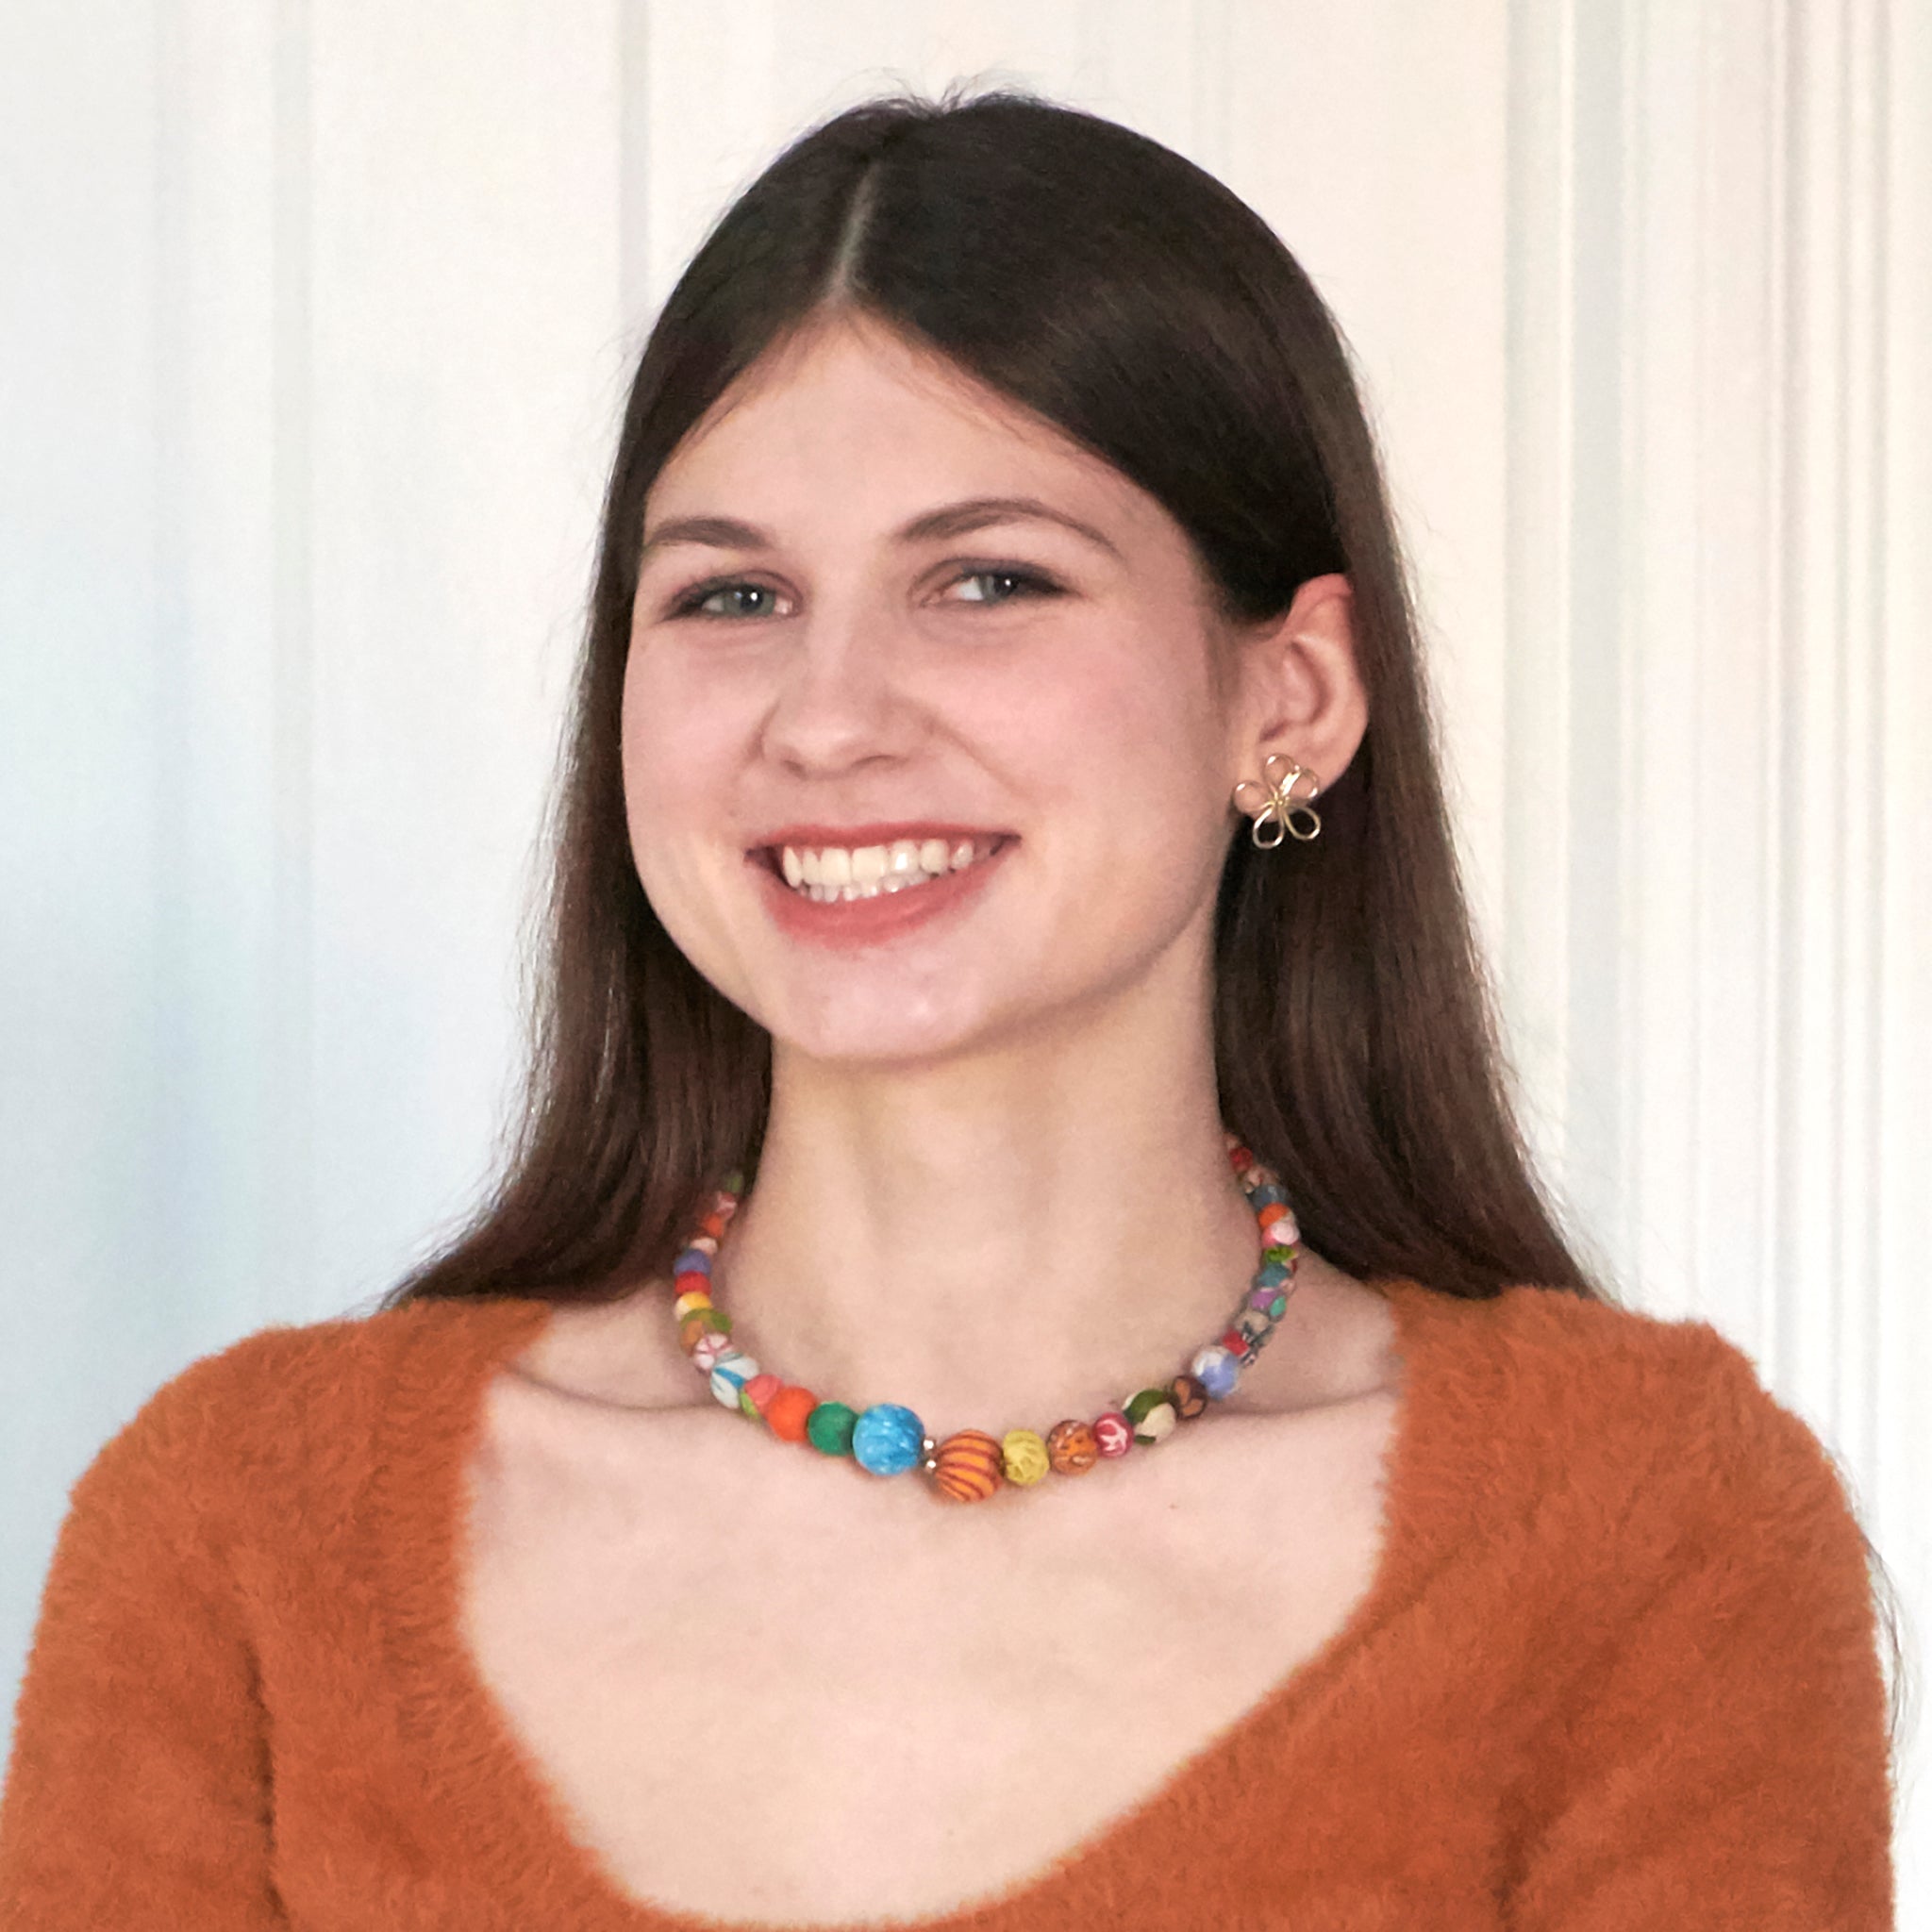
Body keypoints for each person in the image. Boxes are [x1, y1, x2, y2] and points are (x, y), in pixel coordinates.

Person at [0, 83, 1901, 1929]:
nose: (827, 719)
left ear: (1292, 697)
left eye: (988, 580)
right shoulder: (246, 1535)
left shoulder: (1639, 1534)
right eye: (731, 599)